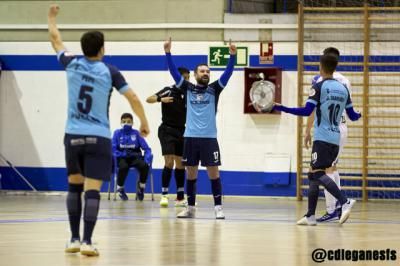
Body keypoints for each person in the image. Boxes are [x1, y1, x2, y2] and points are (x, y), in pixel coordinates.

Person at [48, 4, 149, 256]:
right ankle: (87, 242)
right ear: (102, 49)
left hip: (72, 135)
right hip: (98, 138)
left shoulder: (71, 63)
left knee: (74, 187)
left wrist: (51, 18)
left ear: (82, 49)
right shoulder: (110, 71)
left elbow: (55, 39)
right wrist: (144, 122)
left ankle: (72, 239)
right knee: (92, 190)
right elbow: (134, 98)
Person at [273, 53, 361, 225]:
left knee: (318, 173)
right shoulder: (343, 89)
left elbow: (307, 111)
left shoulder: (319, 86)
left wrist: (283, 107)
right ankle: (310, 215)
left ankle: (344, 201)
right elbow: (353, 115)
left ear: (321, 67)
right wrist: (360, 114)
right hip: (336, 138)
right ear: (335, 67)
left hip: (322, 137)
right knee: (312, 173)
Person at [164, 37, 236, 219]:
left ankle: (218, 208)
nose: (206, 73)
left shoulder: (214, 89)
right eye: (202, 71)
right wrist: (167, 52)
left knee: (214, 173)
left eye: (208, 71)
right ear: (195, 74)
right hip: (190, 137)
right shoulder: (187, 89)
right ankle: (190, 208)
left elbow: (227, 73)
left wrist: (232, 56)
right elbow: (174, 73)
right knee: (191, 173)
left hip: (209, 138)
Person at [305, 47, 351, 223]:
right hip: (341, 128)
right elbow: (348, 109)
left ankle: (336, 206)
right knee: (327, 168)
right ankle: (311, 214)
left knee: (321, 171)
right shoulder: (344, 82)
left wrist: (307, 130)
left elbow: (313, 108)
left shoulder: (319, 80)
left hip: (325, 130)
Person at [146, 67, 189, 208]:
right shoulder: (168, 90)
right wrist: (160, 99)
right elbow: (149, 99)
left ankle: (180, 197)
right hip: (167, 130)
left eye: (188, 78)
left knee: (181, 163)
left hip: (182, 131)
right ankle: (164, 195)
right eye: (184, 77)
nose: (187, 80)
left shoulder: (189, 93)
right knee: (169, 162)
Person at [112, 113, 152, 201]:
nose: (126, 123)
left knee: (144, 166)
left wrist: (147, 158)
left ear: (132, 123)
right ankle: (120, 188)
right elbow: (113, 149)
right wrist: (121, 154)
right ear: (120, 122)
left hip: (135, 157)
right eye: (124, 121)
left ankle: (141, 187)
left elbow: (147, 148)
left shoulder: (137, 133)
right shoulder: (117, 133)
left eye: (129, 121)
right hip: (122, 157)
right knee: (123, 167)